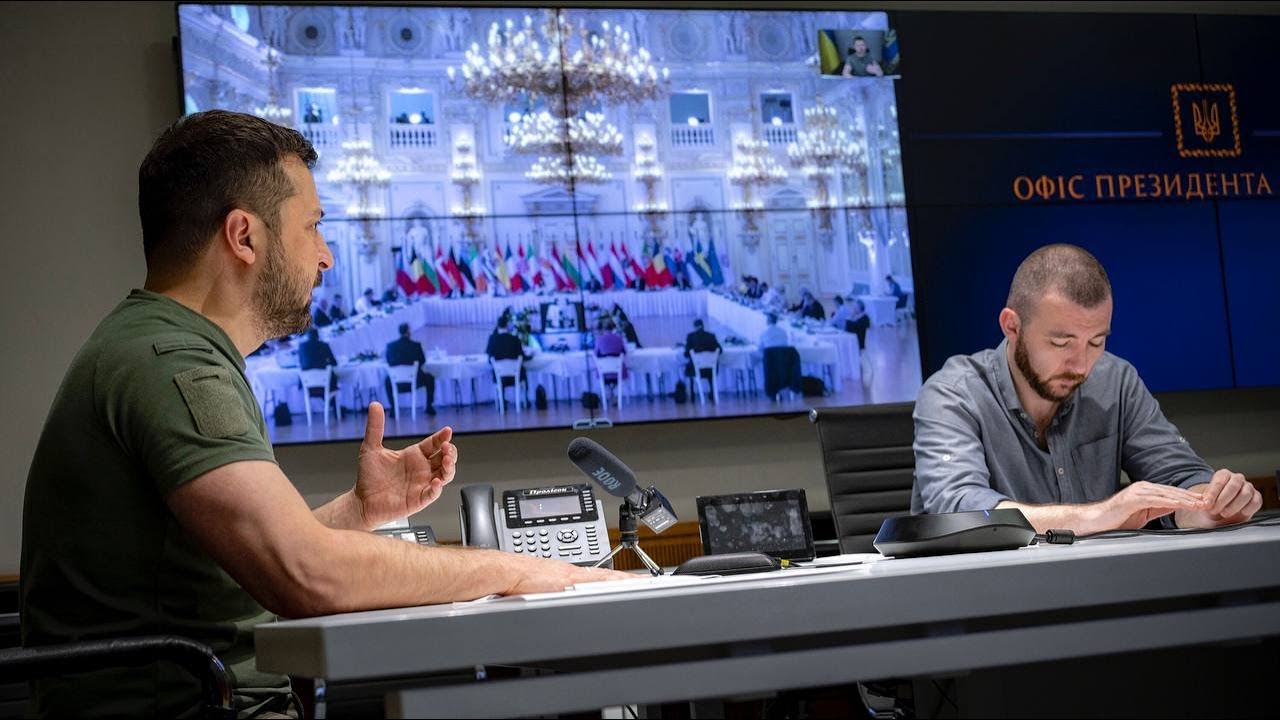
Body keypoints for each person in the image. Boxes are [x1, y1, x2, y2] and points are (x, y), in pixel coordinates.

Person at [19, 110, 630, 718]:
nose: (327, 256)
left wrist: (358, 511)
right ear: (243, 236)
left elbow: (247, 564)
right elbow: (305, 575)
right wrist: (514, 570)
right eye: (312, 226)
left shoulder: (158, 346)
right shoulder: (174, 366)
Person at [911, 244, 1262, 535]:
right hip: (986, 590)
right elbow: (960, 511)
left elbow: (1180, 478)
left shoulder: (1116, 381)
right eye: (1061, 343)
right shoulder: (952, 394)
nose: (1081, 366)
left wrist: (1210, 505)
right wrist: (1100, 515)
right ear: (1012, 326)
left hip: (1103, 584)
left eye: (1096, 342)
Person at [383, 322, 436, 416]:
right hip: (416, 381)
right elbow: (422, 361)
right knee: (430, 378)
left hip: (397, 384)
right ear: (408, 332)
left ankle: (393, 408)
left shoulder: (390, 346)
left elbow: (389, 362)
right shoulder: (416, 346)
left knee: (387, 381)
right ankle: (429, 406)